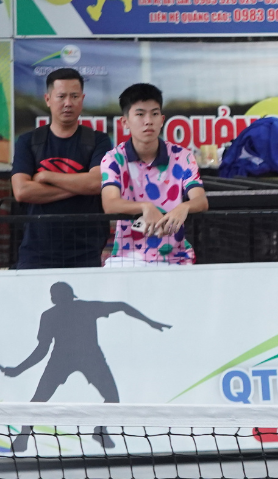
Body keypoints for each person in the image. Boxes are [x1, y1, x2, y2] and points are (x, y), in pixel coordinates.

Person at [2, 282, 171, 453]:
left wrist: (150, 322)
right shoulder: (55, 314)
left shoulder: (81, 309)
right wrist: (18, 370)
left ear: (55, 298)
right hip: (64, 360)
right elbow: (42, 349)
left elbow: (122, 306)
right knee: (38, 400)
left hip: (90, 358)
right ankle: (23, 437)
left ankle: (100, 430)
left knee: (112, 398)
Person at [11, 68, 114, 269]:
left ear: (82, 99)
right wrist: (80, 185)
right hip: (36, 251)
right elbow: (22, 191)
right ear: (48, 99)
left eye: (74, 96)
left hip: (86, 250)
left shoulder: (98, 140)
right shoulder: (28, 141)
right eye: (61, 96)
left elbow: (96, 183)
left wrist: (47, 176)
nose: (68, 103)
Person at [100, 83, 207, 267]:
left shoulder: (183, 156)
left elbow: (201, 201)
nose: (148, 121)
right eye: (140, 114)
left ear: (162, 119)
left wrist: (184, 207)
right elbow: (110, 204)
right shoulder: (113, 159)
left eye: (154, 114)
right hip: (127, 258)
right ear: (125, 122)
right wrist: (145, 207)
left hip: (176, 258)